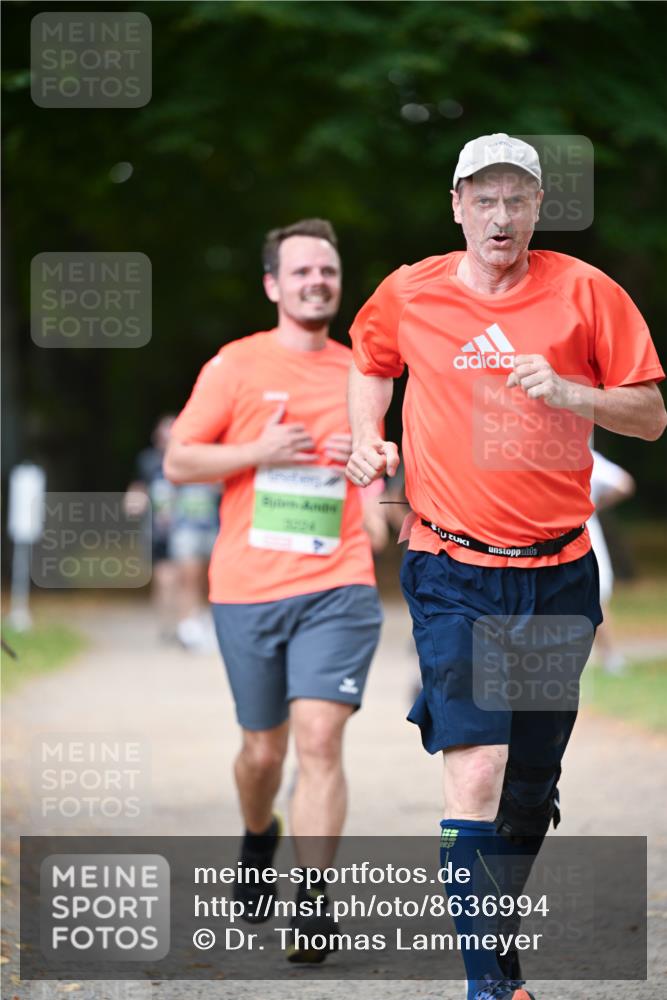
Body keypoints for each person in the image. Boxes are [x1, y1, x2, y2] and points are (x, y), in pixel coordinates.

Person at [345, 133, 666, 1000]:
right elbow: (369, 362)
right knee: (478, 767)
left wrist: (570, 392)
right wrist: (366, 437)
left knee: (528, 787)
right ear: (455, 206)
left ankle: (494, 936)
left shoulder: (585, 292)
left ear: (537, 209)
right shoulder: (409, 292)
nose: (499, 216)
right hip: (451, 566)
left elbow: (648, 416)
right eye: (482, 199)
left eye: (515, 199)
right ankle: (488, 986)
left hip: (557, 571)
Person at [164, 218, 383, 962]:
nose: (317, 282)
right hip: (248, 587)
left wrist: (368, 463)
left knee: (319, 740)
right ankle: (259, 834)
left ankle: (313, 904)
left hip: (338, 582)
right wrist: (259, 450)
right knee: (262, 753)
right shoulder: (235, 365)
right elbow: (181, 461)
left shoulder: (363, 373)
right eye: (301, 272)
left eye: (327, 271)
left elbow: (386, 484)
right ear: (272, 285)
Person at [588, 448, 636, 674]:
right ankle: (610, 657)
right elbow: (623, 484)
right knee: (597, 596)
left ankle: (610, 657)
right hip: (582, 531)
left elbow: (624, 484)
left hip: (574, 533)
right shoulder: (582, 454)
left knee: (596, 595)